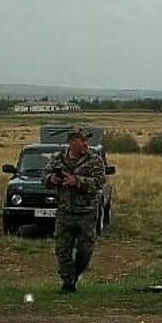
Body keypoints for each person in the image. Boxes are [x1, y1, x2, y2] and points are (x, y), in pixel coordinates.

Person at [42, 125, 107, 292]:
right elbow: (44, 178)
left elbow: (99, 182)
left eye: (87, 140)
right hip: (65, 212)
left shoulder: (94, 160)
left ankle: (76, 274)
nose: (86, 144)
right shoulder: (58, 159)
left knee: (85, 251)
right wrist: (52, 180)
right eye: (82, 140)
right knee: (62, 250)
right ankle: (67, 282)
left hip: (86, 213)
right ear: (72, 142)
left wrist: (77, 182)